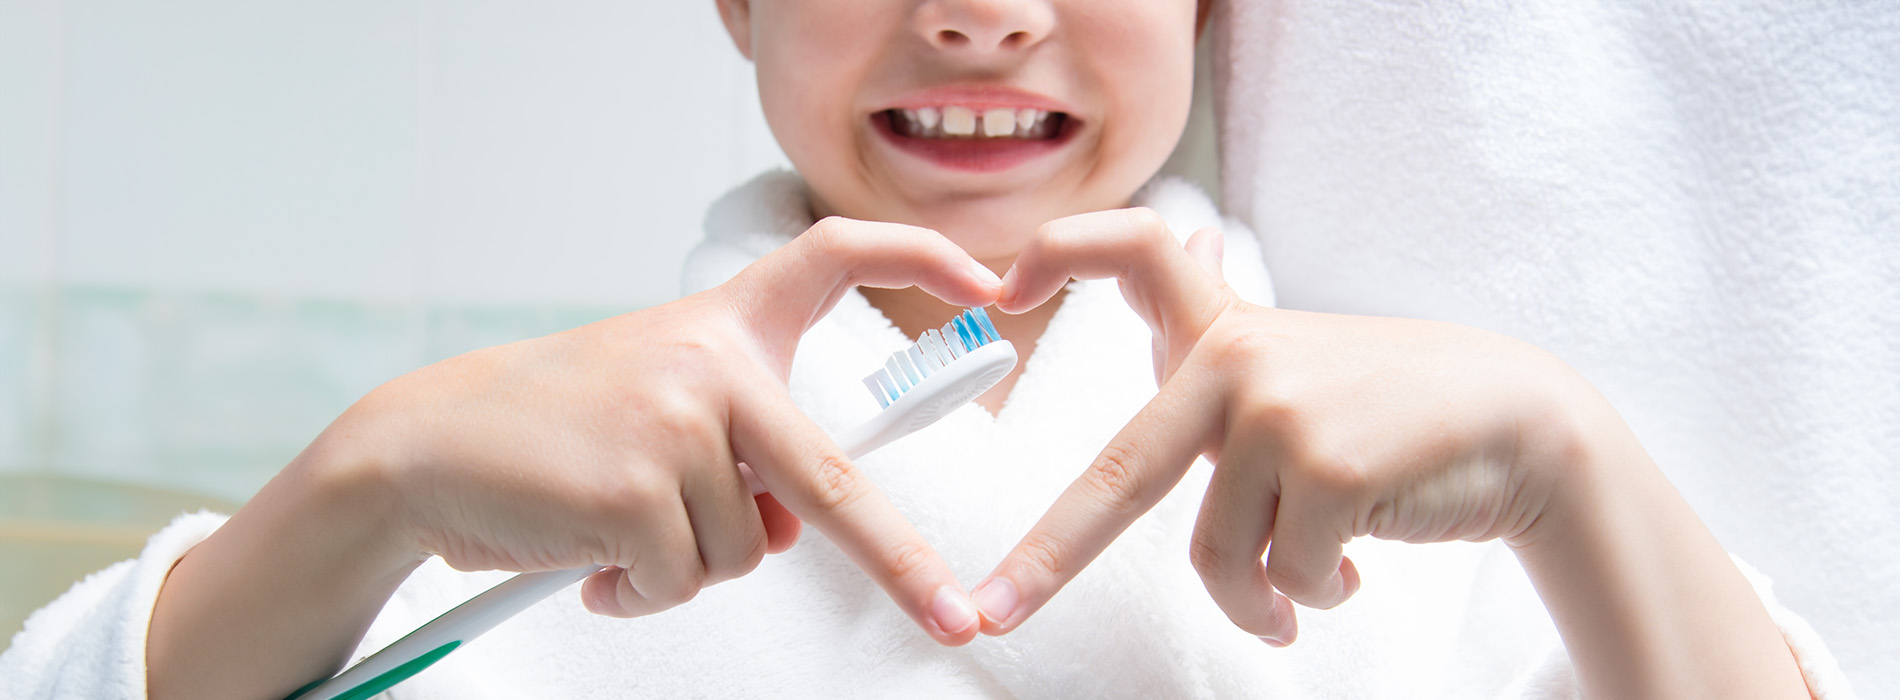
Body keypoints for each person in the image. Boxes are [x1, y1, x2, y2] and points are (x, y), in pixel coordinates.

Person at [0, 1, 1846, 698]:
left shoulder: (1426, 484)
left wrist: (1569, 463)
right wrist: (368, 473)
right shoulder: (512, 494)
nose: (980, 14)